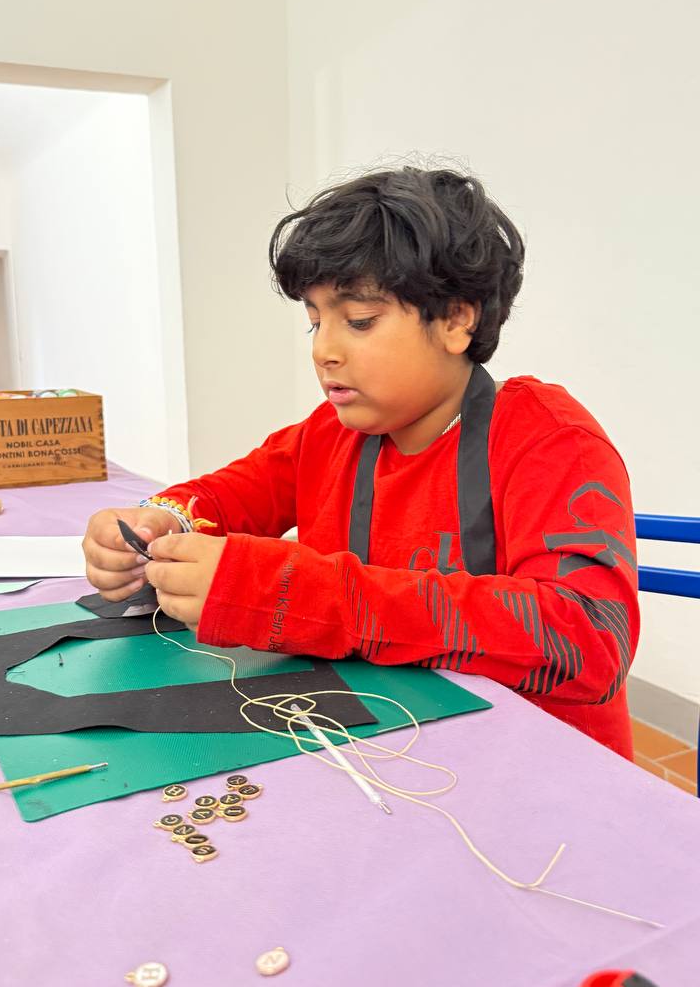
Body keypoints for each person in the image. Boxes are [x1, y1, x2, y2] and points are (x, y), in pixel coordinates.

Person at [82, 166, 639, 758]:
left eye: (359, 321)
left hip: (539, 766)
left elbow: (590, 641)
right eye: (315, 322)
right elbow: (224, 497)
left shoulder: (549, 440)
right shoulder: (330, 434)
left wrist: (297, 597)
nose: (324, 350)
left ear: (457, 319)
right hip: (387, 746)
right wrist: (157, 525)